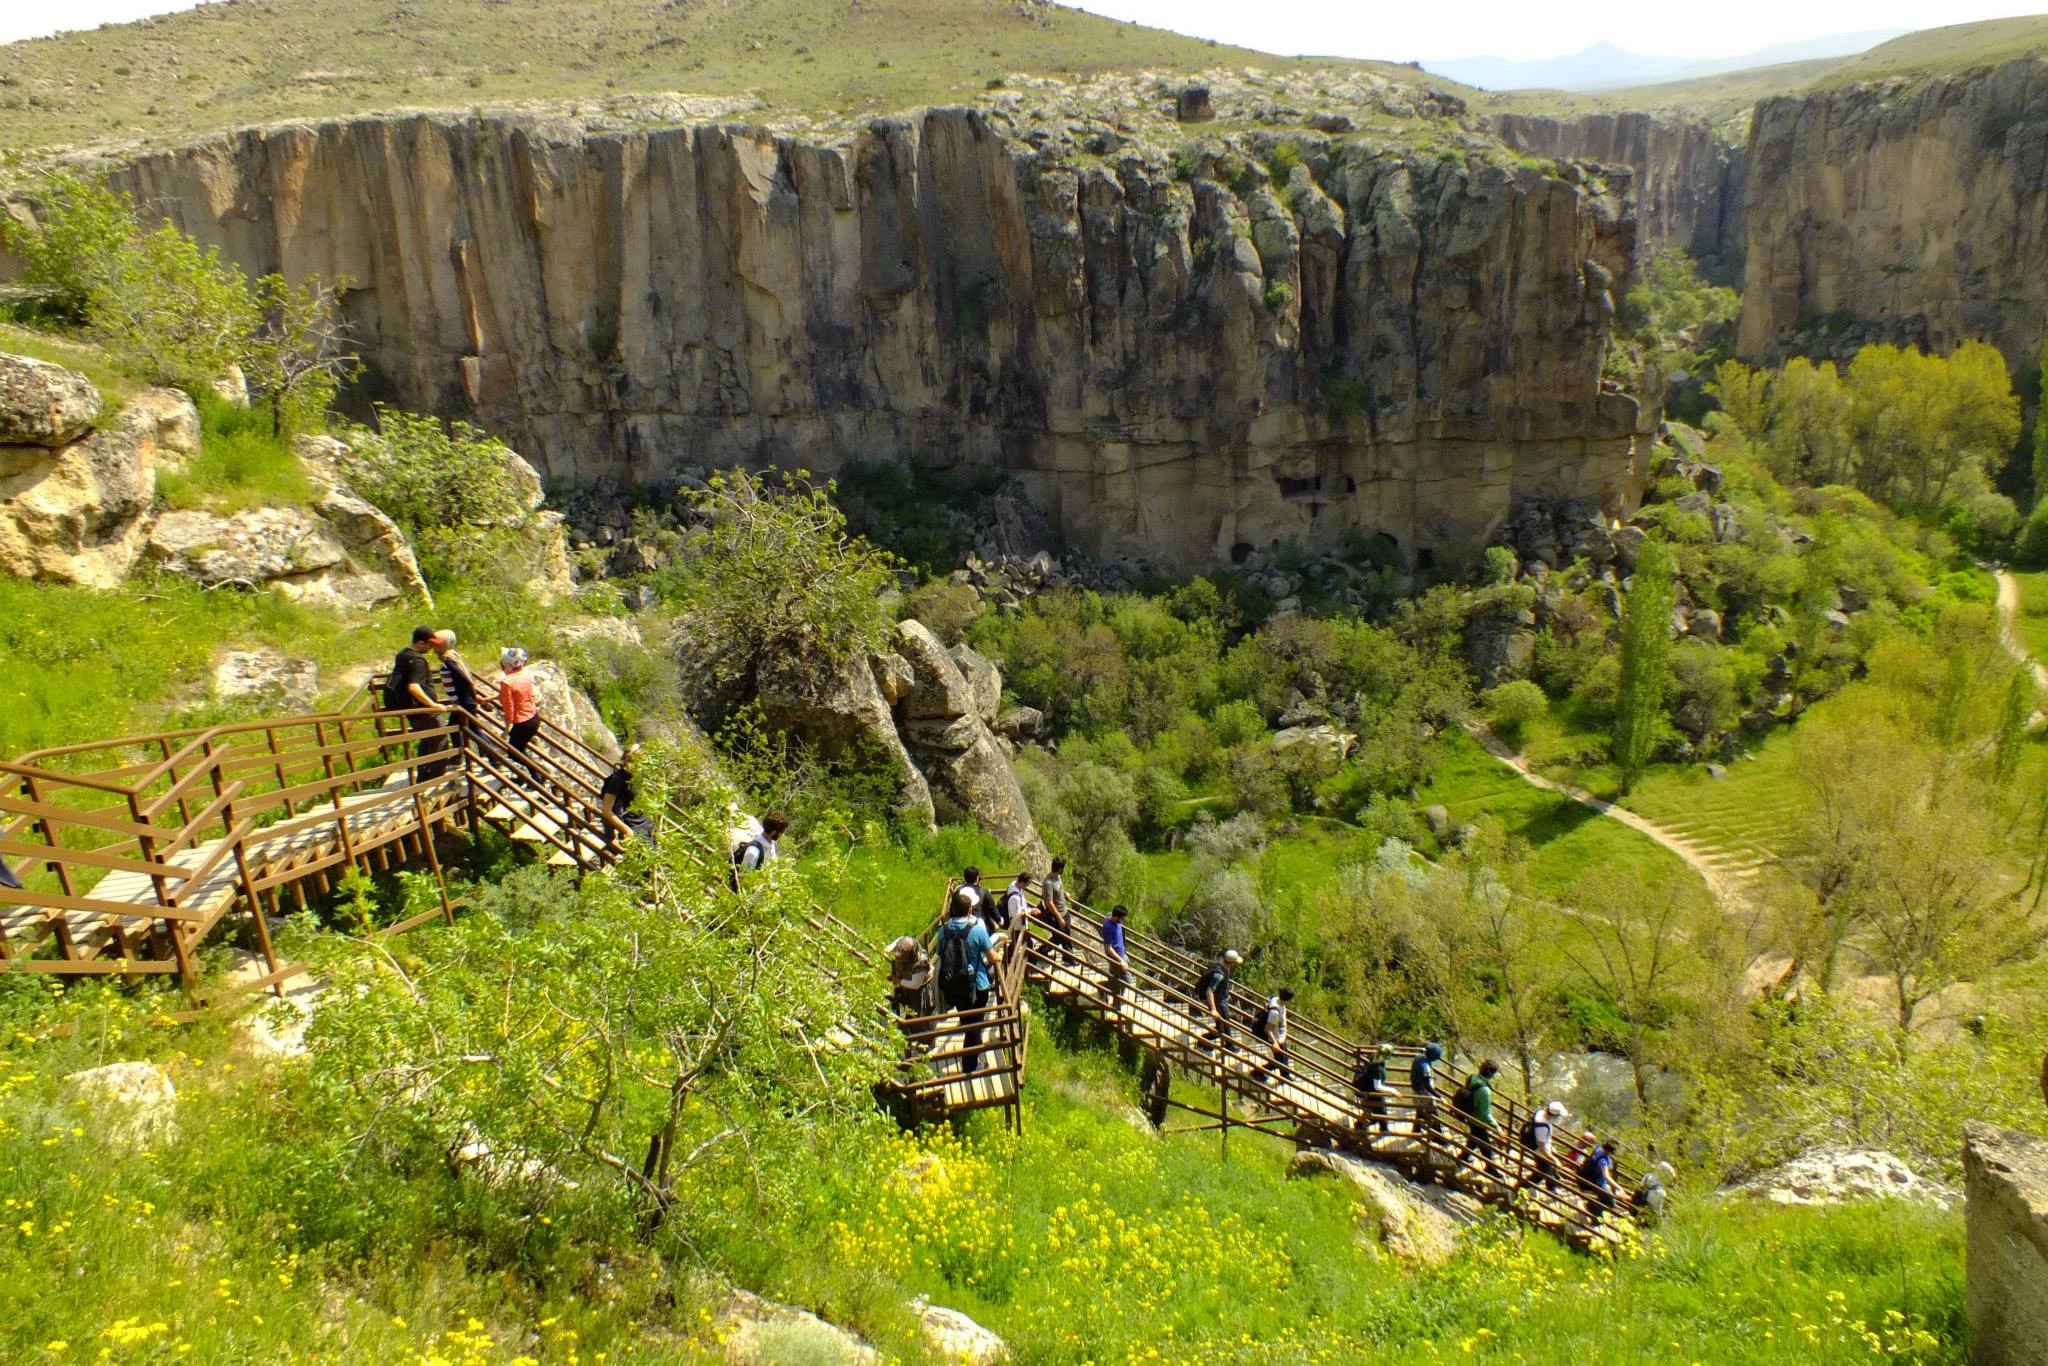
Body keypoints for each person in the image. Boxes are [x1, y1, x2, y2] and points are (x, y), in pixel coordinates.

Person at [934, 887, 997, 1078]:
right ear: (970, 910)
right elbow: (992, 955)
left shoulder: (943, 930)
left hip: (953, 986)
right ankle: (970, 1066)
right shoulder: (977, 929)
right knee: (975, 1026)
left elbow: (938, 953)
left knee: (969, 1021)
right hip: (976, 986)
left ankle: (973, 1057)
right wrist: (999, 957)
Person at [383, 625, 452, 780]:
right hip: (422, 710)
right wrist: (432, 705)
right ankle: (434, 778)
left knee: (427, 740)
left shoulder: (402, 654)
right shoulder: (418, 661)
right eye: (430, 644)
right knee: (438, 738)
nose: (433, 647)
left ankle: (423, 776)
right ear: (421, 643)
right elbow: (414, 687)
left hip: (411, 707)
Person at [1454, 1059, 1503, 1182]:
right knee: (1485, 1144)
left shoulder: (1472, 1077)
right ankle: (1490, 1168)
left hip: (1469, 1113)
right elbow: (1486, 1114)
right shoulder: (1484, 1091)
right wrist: (1497, 1128)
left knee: (1474, 1139)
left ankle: (1464, 1156)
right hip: (1477, 1119)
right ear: (1491, 1074)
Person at [497, 647, 542, 778]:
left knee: (513, 752)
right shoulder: (525, 675)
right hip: (533, 718)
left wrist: (506, 730)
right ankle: (536, 774)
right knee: (520, 749)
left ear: (506, 664)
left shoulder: (507, 682)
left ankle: (538, 774)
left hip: (522, 722)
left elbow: (509, 709)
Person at [600, 743, 656, 845]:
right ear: (624, 759)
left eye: (636, 760)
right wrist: (627, 831)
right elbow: (606, 810)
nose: (632, 763)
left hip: (645, 827)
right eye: (630, 759)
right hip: (632, 828)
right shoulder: (617, 779)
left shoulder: (640, 777)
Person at [1194, 949, 1242, 1051]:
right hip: (1219, 1003)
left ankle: (1203, 1042)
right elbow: (1209, 991)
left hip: (1221, 1000)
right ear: (1232, 963)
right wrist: (1213, 1009)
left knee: (1221, 1026)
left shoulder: (1221, 966)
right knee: (1224, 1025)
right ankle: (1228, 1045)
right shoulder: (1219, 975)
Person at [1521, 1100, 1568, 1192]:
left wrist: (1551, 1148)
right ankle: (1522, 1187)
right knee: (1542, 1172)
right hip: (1539, 1150)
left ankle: (1552, 1186)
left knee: (1547, 1169)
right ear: (1553, 1115)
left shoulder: (1541, 1112)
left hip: (1540, 1146)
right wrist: (1554, 1158)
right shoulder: (1542, 1127)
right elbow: (1541, 1147)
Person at [1251, 988, 1294, 1086]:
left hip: (1278, 1034)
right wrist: (1274, 1042)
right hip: (1273, 1036)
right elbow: (1268, 1029)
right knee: (1280, 1060)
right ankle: (1257, 1072)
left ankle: (1285, 1076)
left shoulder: (1276, 999)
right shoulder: (1275, 1012)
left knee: (1284, 1056)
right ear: (1288, 999)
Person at [1353, 1043, 1395, 1138]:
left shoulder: (1374, 1059)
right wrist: (1392, 1091)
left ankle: (1383, 1129)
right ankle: (1361, 1126)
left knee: (1380, 1110)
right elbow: (1377, 1086)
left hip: (1368, 1089)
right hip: (1370, 1091)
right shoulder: (1377, 1067)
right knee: (1379, 1111)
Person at [886, 934, 934, 1019]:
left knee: (917, 1018)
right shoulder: (905, 942)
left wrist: (899, 981)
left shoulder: (921, 963)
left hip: (918, 994)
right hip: (906, 990)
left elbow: (915, 984)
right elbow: (897, 942)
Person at [731, 811, 788, 879]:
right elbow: (742, 879)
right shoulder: (753, 852)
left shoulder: (770, 845)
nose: (782, 835)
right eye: (781, 832)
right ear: (774, 832)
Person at [1036, 857, 1073, 961]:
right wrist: (1059, 918)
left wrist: (1065, 894)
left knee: (1067, 935)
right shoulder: (1048, 882)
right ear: (1060, 869)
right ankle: (1040, 952)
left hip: (1064, 911)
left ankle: (1068, 957)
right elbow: (1049, 902)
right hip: (1057, 915)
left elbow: (1059, 888)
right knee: (1059, 938)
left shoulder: (1058, 877)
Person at [1410, 1040, 1445, 1147]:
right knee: (1434, 1115)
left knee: (1420, 1111)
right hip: (1423, 1093)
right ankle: (1438, 1137)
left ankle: (1416, 1130)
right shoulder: (1425, 1067)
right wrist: (1440, 1097)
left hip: (1416, 1091)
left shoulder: (1418, 1057)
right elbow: (1428, 1087)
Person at [1579, 1136, 1620, 1221]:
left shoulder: (1597, 1149)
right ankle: (1592, 1208)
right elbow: (1606, 1176)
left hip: (1589, 1179)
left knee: (1605, 1198)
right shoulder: (1603, 1161)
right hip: (1598, 1183)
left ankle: (1596, 1214)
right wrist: (1618, 1187)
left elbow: (1593, 1145)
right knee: (1611, 1202)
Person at [1100, 904, 1133, 1007]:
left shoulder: (1112, 917)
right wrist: (1120, 961)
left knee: (1118, 979)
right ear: (1116, 917)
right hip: (1117, 958)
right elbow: (1108, 948)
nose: (1123, 921)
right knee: (1127, 980)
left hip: (1122, 954)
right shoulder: (1108, 927)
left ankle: (1117, 1002)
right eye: (1122, 918)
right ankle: (1102, 987)